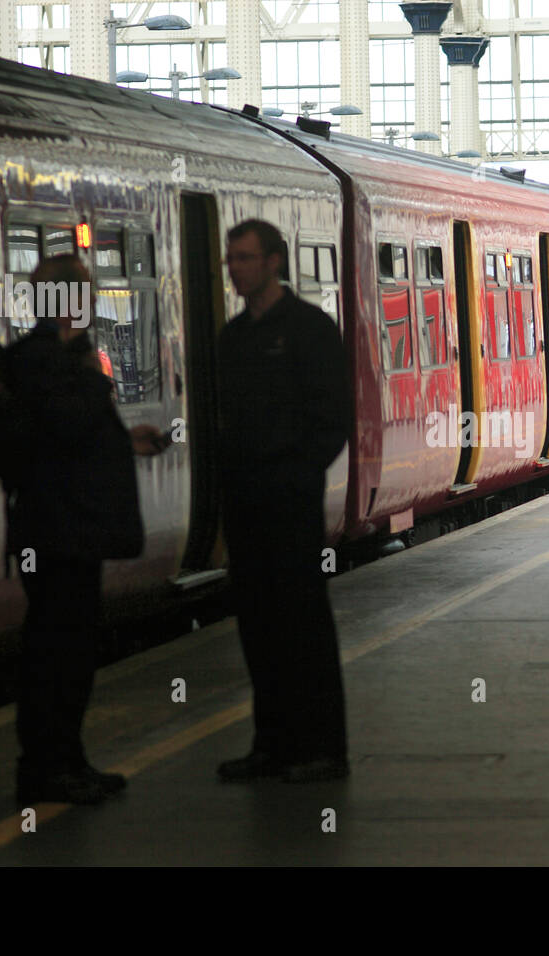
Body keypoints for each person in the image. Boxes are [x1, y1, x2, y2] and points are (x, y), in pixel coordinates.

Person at [6, 254, 169, 805]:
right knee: (59, 654)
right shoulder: (43, 359)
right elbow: (67, 427)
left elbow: (64, 439)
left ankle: (65, 761)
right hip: (59, 534)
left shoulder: (49, 359)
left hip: (63, 529)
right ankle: (51, 768)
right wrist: (88, 373)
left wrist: (126, 441)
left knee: (65, 651)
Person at [215, 219, 352, 784]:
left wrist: (298, 475)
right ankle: (271, 743)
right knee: (259, 628)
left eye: (245, 258)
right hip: (245, 506)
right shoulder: (232, 338)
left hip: (290, 506)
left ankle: (321, 748)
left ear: (274, 262)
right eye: (231, 259)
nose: (235, 269)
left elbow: (333, 418)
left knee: (303, 628)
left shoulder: (310, 330)